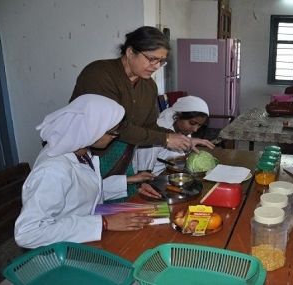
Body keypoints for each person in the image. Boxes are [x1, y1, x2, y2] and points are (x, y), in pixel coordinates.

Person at [70, 26, 214, 199]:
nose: (156, 66)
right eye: (151, 59)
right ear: (130, 52)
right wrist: (166, 138)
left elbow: (149, 126)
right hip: (86, 154)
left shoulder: (148, 85)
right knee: (87, 201)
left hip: (124, 156)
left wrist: (181, 139)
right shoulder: (100, 74)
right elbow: (115, 128)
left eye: (161, 61)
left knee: (124, 203)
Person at [15, 95, 155, 249]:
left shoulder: (79, 151)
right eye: (112, 133)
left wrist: (129, 180)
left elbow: (82, 192)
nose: (114, 138)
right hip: (60, 253)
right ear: (93, 130)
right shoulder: (53, 170)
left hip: (83, 239)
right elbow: (28, 233)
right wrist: (104, 223)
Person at [133, 96, 209, 175]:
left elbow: (179, 155)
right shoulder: (156, 132)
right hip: (153, 179)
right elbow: (143, 172)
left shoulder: (182, 129)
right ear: (179, 115)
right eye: (192, 123)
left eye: (199, 125)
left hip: (171, 173)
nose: (195, 129)